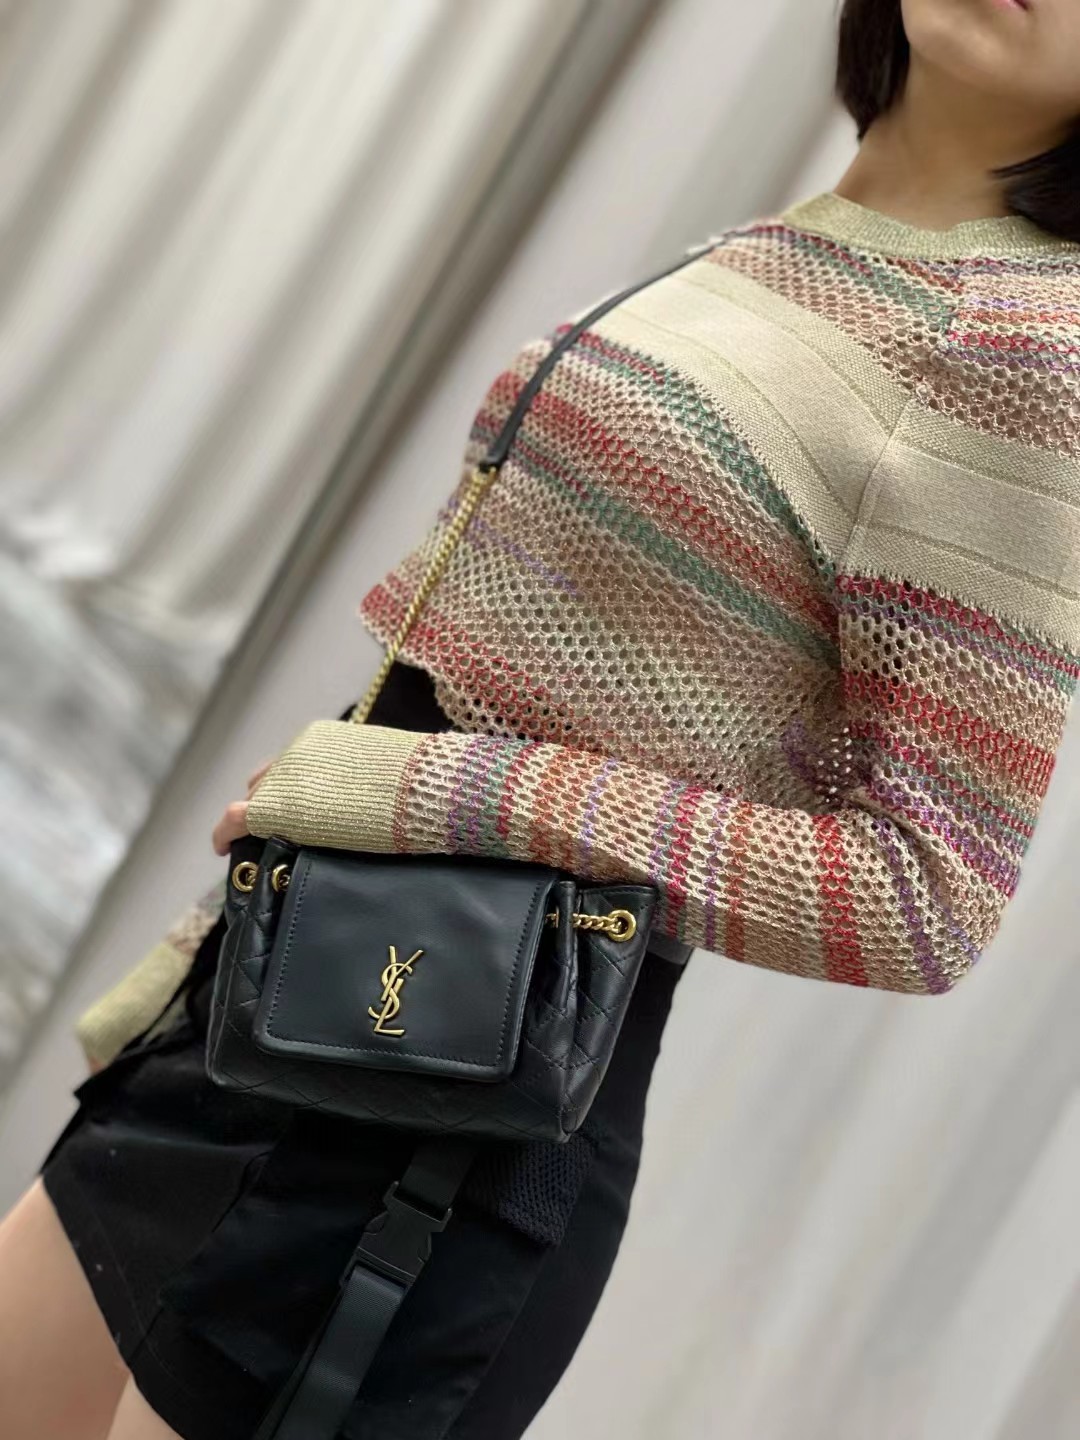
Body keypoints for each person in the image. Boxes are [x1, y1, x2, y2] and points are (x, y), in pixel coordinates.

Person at [4, 0, 1080, 1435]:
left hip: (436, 1138)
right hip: (282, 1009)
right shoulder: (791, 247)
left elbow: (924, 895)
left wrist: (439, 798)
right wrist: (202, 961)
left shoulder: (1022, 354)